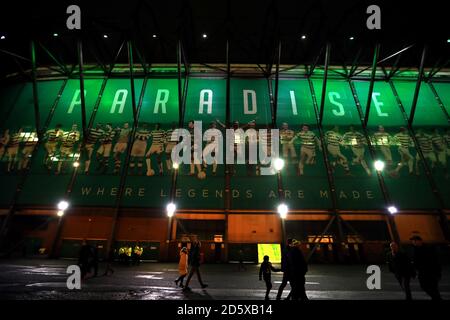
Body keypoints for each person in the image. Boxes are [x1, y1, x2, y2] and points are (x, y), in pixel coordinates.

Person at [410, 235, 442, 300]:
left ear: (420, 241)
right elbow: (415, 261)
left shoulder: (428, 248)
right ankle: (436, 298)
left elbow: (435, 260)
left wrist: (438, 272)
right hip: (422, 273)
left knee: (433, 288)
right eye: (413, 241)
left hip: (431, 272)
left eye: (415, 241)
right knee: (424, 286)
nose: (413, 242)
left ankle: (436, 298)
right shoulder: (414, 250)